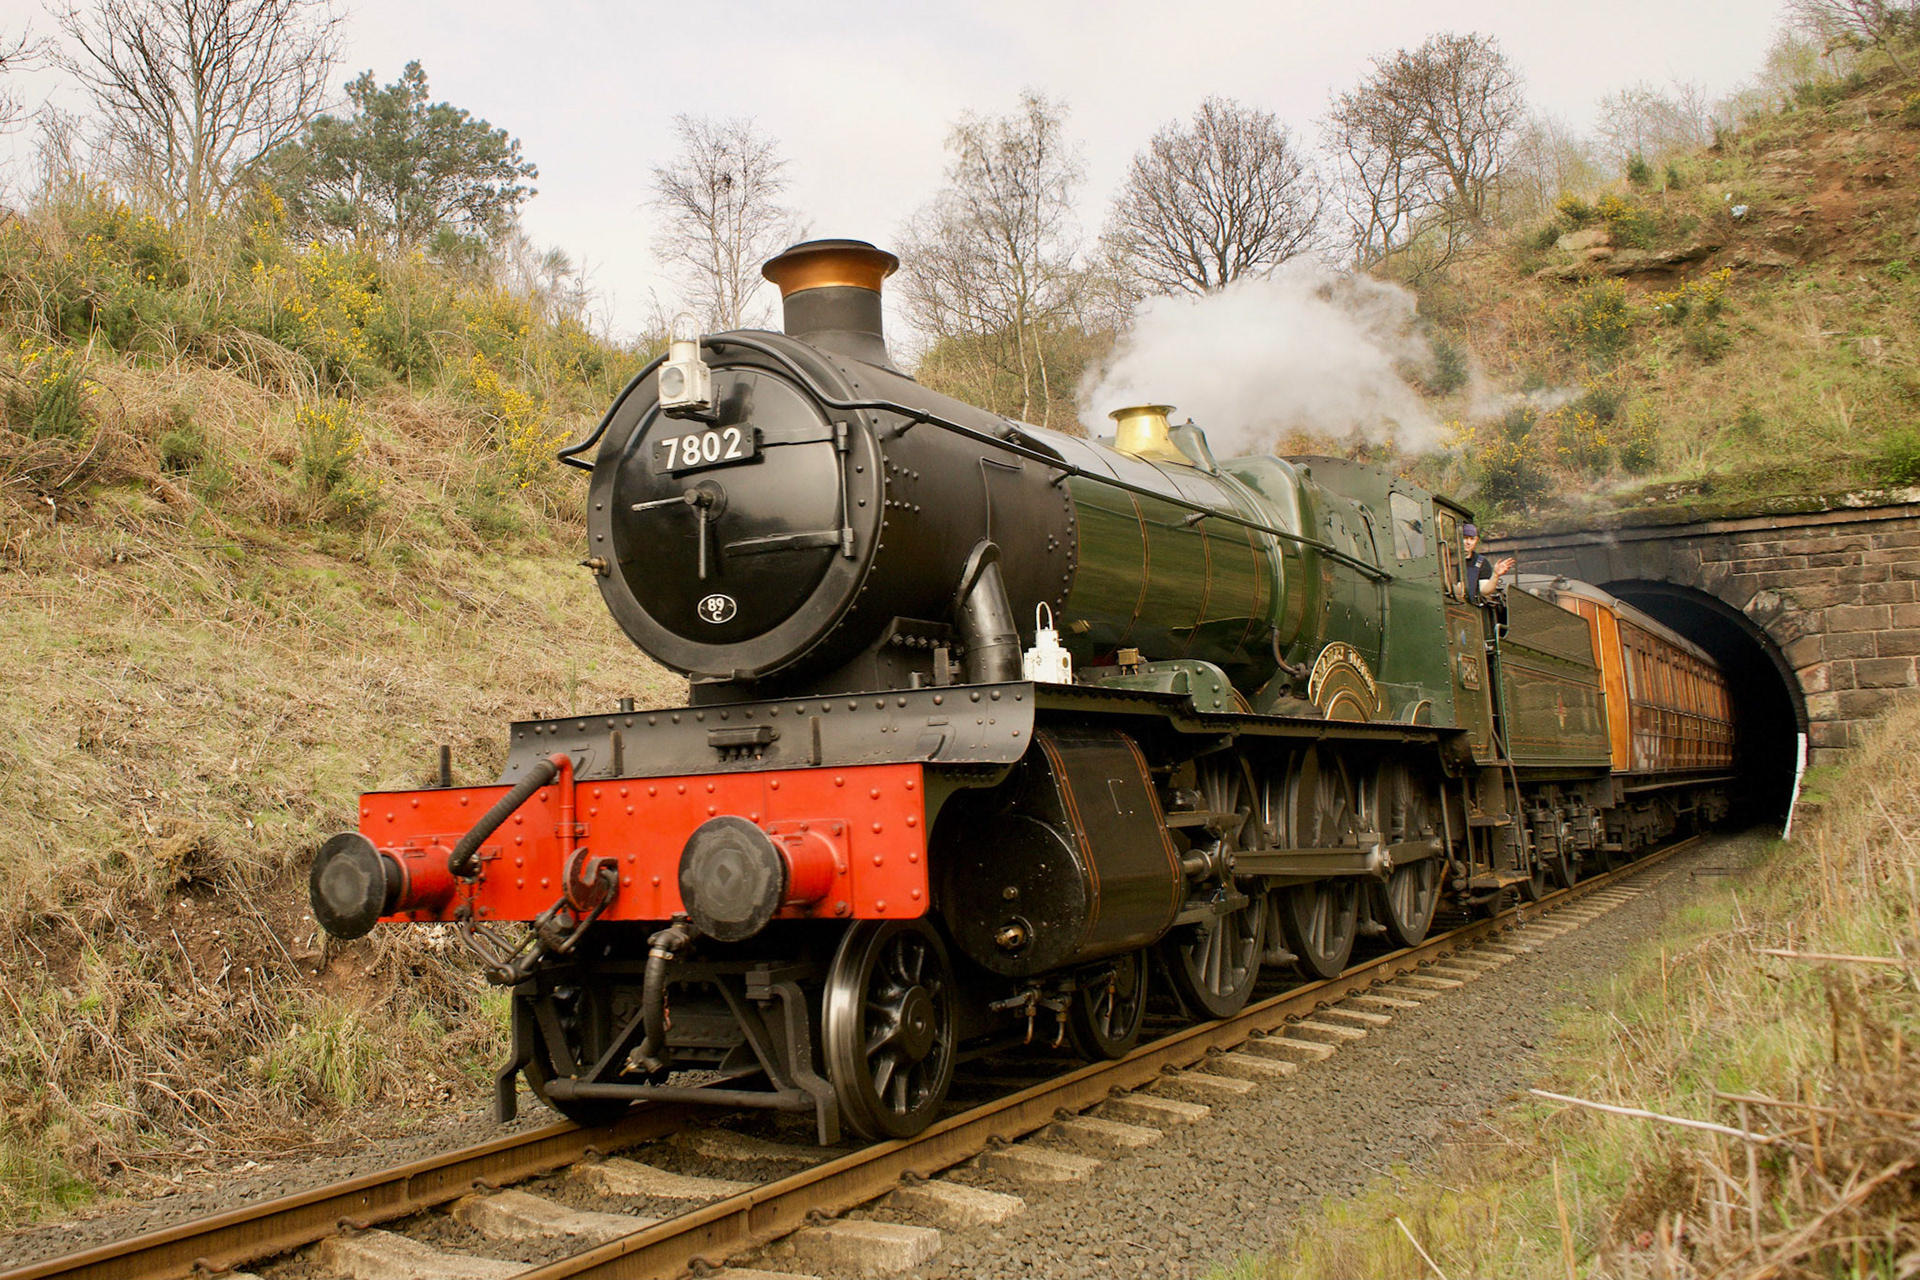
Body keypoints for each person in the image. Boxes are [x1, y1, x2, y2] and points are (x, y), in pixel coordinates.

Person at [1461, 524, 1515, 605]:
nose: (1468, 542)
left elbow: (1484, 591)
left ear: (1476, 540)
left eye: (1472, 539)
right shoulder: (1447, 558)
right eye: (1465, 538)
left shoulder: (1480, 562)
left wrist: (1495, 575)